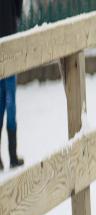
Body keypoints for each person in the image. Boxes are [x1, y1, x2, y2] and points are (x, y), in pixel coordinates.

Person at [0, 0, 25, 170]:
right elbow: (18, 7)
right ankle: (12, 156)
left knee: (1, 101)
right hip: (9, 36)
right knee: (10, 101)